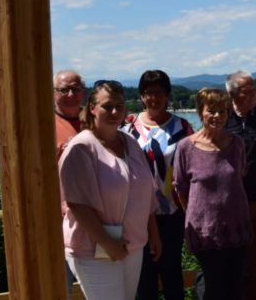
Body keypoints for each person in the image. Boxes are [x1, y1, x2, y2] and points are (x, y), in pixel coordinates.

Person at [58, 80, 160, 300]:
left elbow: (145, 192)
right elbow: (77, 203)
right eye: (107, 106)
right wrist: (108, 243)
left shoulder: (130, 142)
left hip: (131, 245)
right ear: (92, 108)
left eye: (120, 106)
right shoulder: (81, 148)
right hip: (93, 249)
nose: (114, 112)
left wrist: (153, 232)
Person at [174, 88, 251, 300]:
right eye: (212, 110)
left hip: (236, 225)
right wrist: (194, 215)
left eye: (223, 111)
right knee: (213, 287)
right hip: (205, 230)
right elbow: (180, 187)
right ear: (201, 112)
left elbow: (238, 179)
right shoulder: (185, 147)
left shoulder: (237, 144)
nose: (218, 116)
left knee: (236, 286)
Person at [121, 70, 193, 300]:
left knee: (172, 272)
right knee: (144, 277)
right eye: (149, 93)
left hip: (173, 211)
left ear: (168, 95)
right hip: (138, 212)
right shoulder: (129, 128)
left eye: (159, 92)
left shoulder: (182, 127)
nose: (154, 98)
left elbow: (192, 167)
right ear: (142, 96)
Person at [223, 71, 256, 300]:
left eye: (255, 88)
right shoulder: (222, 117)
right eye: (248, 89)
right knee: (232, 267)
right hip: (228, 206)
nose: (254, 93)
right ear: (233, 93)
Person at [53, 69, 86, 296]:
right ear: (54, 93)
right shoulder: (44, 124)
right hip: (58, 221)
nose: (71, 94)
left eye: (76, 88)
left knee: (99, 286)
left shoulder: (94, 120)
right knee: (60, 285)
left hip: (98, 220)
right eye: (64, 89)